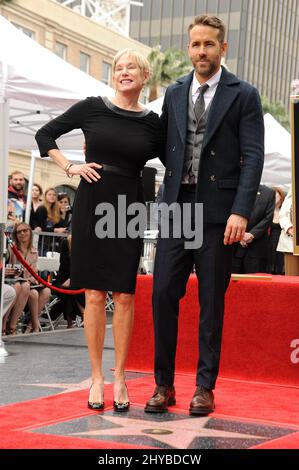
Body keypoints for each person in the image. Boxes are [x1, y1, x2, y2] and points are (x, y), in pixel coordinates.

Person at [144, 15, 264, 416]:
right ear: (189, 47)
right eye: (195, 45)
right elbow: (166, 145)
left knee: (212, 302)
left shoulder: (244, 94)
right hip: (176, 207)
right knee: (162, 295)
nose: (201, 52)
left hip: (218, 214)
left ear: (222, 48)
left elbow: (253, 158)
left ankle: (204, 386)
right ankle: (164, 384)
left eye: (209, 45)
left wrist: (241, 211)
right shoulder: (175, 92)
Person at [35, 49, 161, 412]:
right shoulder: (92, 106)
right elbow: (46, 135)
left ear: (144, 75)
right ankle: (96, 378)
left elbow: (178, 157)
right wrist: (70, 167)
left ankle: (120, 375)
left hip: (129, 206)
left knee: (124, 294)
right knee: (92, 293)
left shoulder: (154, 122)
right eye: (119, 68)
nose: (123, 73)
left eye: (131, 68)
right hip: (92, 200)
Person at [8, 223, 51, 333]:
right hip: (16, 281)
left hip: (29, 282)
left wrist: (34, 278)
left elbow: (34, 271)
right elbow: (9, 268)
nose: (22, 233)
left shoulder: (34, 251)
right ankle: (29, 326)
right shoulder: (12, 248)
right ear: (16, 235)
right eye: (19, 232)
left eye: (25, 230)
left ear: (30, 232)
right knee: (33, 293)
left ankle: (31, 325)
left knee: (47, 291)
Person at [232, 185, 275, 274]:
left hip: (256, 249)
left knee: (255, 283)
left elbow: (268, 218)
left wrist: (252, 234)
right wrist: (239, 235)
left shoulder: (268, 193)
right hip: (234, 247)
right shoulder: (231, 190)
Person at [53, 235, 85, 328]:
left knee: (73, 287)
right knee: (67, 288)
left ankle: (71, 321)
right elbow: (63, 266)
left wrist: (73, 278)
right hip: (64, 277)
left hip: (81, 279)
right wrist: (71, 278)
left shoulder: (89, 243)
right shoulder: (67, 242)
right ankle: (83, 315)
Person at [277, 188, 299, 275]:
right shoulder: (293, 189)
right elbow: (282, 214)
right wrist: (289, 228)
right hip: (290, 244)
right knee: (291, 278)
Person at [266, 187, 285, 274]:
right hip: (268, 242)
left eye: (275, 195)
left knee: (280, 265)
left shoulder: (285, 212)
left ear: (281, 197)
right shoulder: (267, 211)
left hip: (281, 242)